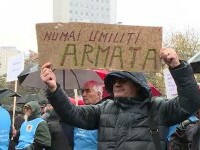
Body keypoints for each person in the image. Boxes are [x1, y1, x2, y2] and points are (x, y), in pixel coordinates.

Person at [40, 48, 200, 150]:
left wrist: (177, 67)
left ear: (137, 85)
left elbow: (190, 102)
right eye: (114, 80)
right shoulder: (104, 108)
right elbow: (72, 114)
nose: (117, 83)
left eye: (123, 80)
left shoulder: (158, 108)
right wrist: (54, 89)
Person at [73, 80, 104, 150]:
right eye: (83, 91)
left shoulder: (105, 113)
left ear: (98, 95)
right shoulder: (79, 112)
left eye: (87, 91)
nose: (83, 94)